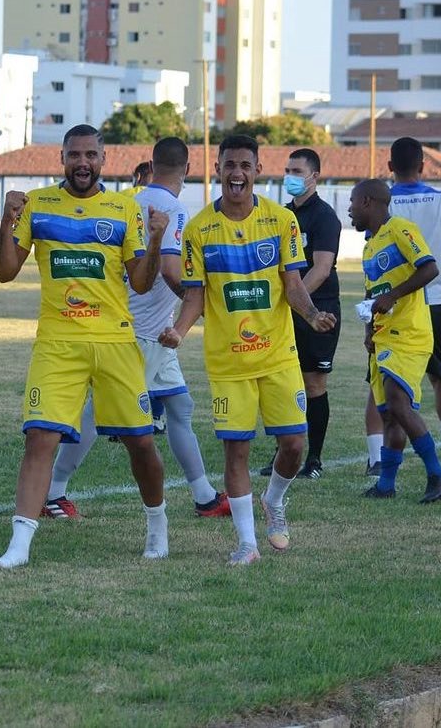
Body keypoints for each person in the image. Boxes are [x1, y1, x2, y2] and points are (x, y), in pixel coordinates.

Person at [0, 123, 169, 569]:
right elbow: (4, 272)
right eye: (75, 155)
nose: (82, 163)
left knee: (140, 443)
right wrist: (7, 222)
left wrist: (157, 236)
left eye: (91, 155)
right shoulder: (39, 204)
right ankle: (19, 548)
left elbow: (143, 285)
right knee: (40, 438)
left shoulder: (123, 209)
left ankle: (157, 526)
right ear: (63, 159)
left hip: (114, 342)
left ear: (103, 160)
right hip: (57, 343)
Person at [159, 134, 337, 566]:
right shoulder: (199, 229)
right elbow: (194, 295)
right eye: (229, 165)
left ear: (257, 170)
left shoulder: (281, 221)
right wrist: (180, 332)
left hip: (277, 356)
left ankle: (273, 500)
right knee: (235, 451)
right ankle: (246, 543)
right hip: (228, 363)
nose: (236, 173)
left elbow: (293, 284)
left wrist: (312, 316)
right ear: (217, 169)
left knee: (294, 444)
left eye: (245, 165)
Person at [43, 137, 230, 520]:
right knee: (99, 417)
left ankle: (205, 496)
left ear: (151, 163)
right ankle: (52, 493)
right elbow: (171, 270)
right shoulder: (174, 208)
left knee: (179, 408)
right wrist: (201, 308)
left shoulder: (129, 200)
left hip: (147, 328)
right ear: (188, 169)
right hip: (142, 332)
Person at [350, 179, 441, 503]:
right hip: (383, 336)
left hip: (409, 333)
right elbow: (372, 292)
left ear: (368, 201)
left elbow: (430, 268)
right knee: (389, 413)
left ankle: (437, 474)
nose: (349, 210)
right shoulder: (369, 245)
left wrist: (394, 295)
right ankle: (386, 485)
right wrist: (369, 330)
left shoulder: (401, 230)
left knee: (397, 401)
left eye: (352, 202)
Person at [364, 137, 441, 477]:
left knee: (382, 383)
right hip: (434, 300)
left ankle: (376, 458)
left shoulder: (380, 203)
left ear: (389, 166)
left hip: (398, 306)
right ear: (423, 165)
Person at [260, 148, 342, 479]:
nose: (290, 176)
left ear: (314, 176)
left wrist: (294, 300)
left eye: (297, 171)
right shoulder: (281, 215)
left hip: (317, 307)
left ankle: (314, 460)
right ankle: (283, 453)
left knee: (313, 382)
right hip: (285, 310)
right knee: (281, 381)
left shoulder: (324, 217)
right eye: (287, 170)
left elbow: (321, 269)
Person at [119, 157, 166, 434]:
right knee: (148, 364)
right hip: (154, 291)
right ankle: (150, 417)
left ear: (137, 176)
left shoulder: (124, 198)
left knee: (147, 364)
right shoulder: (163, 202)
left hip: (130, 288)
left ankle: (132, 418)